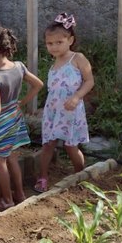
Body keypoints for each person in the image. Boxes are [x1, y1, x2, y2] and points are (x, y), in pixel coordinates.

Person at [0, 26, 44, 209]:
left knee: (0, 160)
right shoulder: (19, 67)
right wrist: (21, 102)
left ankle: (6, 200)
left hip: (1, 122)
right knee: (12, 157)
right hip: (15, 116)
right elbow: (38, 85)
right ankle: (20, 194)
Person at [35, 13, 94, 193]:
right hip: (53, 110)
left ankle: (79, 176)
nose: (54, 47)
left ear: (70, 40)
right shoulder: (54, 64)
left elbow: (89, 81)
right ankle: (43, 177)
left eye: (59, 42)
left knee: (71, 145)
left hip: (71, 109)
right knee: (47, 145)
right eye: (50, 43)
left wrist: (77, 97)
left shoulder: (77, 58)